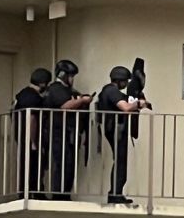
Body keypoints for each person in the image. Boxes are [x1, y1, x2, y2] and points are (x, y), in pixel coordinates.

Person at [97, 66, 151, 205]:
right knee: (120, 162)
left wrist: (138, 100)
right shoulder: (111, 91)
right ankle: (115, 194)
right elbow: (125, 108)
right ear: (119, 80)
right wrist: (138, 104)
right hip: (116, 129)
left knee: (121, 162)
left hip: (117, 129)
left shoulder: (111, 91)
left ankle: (117, 193)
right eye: (125, 81)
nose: (126, 84)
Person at [42, 59, 92, 200]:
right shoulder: (56, 89)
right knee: (62, 164)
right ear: (63, 75)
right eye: (71, 76)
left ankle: (65, 194)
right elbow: (65, 106)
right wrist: (82, 101)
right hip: (59, 132)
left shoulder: (69, 90)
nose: (72, 79)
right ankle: (59, 195)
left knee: (70, 165)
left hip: (70, 132)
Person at [11, 68, 50, 199]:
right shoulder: (34, 98)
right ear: (42, 83)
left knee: (25, 165)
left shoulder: (22, 94)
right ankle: (36, 193)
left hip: (21, 136)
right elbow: (32, 119)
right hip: (31, 138)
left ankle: (24, 193)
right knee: (35, 166)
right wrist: (33, 141)